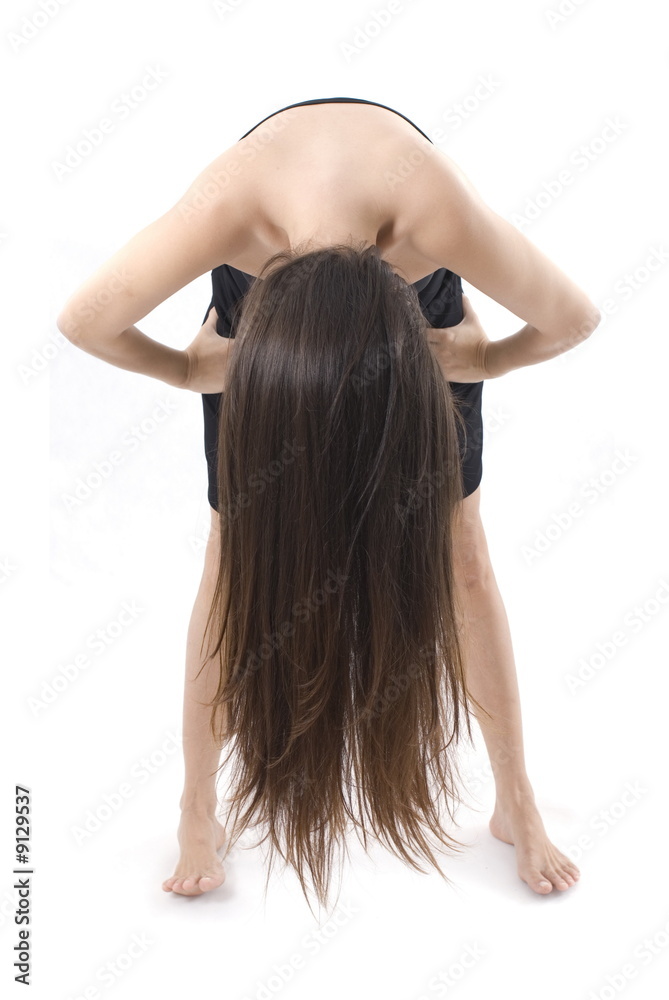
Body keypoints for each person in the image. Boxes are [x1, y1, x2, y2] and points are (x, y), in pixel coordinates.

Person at [57, 96, 600, 908]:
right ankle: (196, 806)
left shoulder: (432, 214)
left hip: (413, 326)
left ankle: (514, 796)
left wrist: (485, 355)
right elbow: (84, 319)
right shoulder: (230, 208)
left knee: (461, 554)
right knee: (231, 549)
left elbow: (571, 317)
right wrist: (189, 370)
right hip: (265, 337)